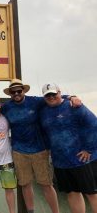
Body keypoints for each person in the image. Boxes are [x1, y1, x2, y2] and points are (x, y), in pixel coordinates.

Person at [0, 79, 81, 213]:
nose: (16, 93)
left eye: (19, 91)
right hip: (19, 151)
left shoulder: (35, 101)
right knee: (25, 184)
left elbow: (53, 98)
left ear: (23, 90)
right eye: (13, 92)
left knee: (46, 184)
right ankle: (30, 211)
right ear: (10, 94)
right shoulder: (7, 107)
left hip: (40, 150)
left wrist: (72, 97)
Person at [40, 83, 97, 213]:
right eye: (48, 95)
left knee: (92, 194)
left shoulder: (74, 106)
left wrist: (89, 149)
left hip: (82, 160)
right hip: (60, 162)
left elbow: (94, 126)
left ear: (59, 92)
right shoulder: (43, 112)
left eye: (54, 94)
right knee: (72, 193)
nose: (51, 97)